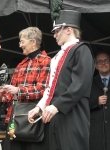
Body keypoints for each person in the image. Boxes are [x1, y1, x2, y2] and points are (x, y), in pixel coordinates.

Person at [28, 10, 95, 150]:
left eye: (57, 31)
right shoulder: (57, 56)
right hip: (55, 114)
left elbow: (79, 84)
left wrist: (57, 105)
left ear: (69, 30)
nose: (54, 35)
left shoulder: (82, 50)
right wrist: (39, 107)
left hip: (73, 114)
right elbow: (51, 86)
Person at [0, 27, 51, 150]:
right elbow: (11, 93)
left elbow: (43, 90)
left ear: (33, 42)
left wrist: (19, 90)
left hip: (35, 120)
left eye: (22, 41)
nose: (20, 45)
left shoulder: (47, 61)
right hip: (15, 119)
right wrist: (1, 97)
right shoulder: (21, 64)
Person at [89, 51, 110, 150]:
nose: (103, 63)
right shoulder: (90, 83)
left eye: (106, 61)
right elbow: (83, 105)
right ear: (96, 66)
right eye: (100, 61)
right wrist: (96, 102)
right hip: (96, 132)